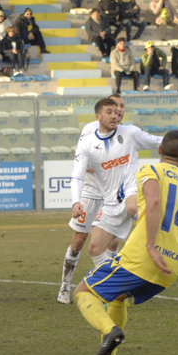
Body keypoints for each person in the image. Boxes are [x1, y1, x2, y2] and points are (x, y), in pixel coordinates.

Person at [73, 130, 178, 355]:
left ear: (159, 150)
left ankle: (110, 331)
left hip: (141, 257)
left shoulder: (150, 171)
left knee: (82, 291)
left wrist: (151, 247)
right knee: (118, 298)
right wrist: (176, 264)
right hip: (170, 269)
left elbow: (153, 202)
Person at [67, 99, 178, 302]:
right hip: (110, 200)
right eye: (110, 112)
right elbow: (77, 174)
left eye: (117, 111)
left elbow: (162, 142)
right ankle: (112, 287)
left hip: (132, 189)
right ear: (98, 116)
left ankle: (160, 238)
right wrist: (76, 201)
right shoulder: (87, 143)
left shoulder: (130, 133)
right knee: (95, 248)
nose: (115, 114)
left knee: (133, 206)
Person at [57, 93, 123, 304]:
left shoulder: (126, 134)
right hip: (90, 194)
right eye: (112, 108)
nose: (117, 112)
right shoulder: (90, 130)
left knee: (112, 242)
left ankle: (108, 289)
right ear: (102, 112)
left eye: (121, 107)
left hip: (112, 197)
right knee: (78, 241)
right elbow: (83, 163)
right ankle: (64, 287)